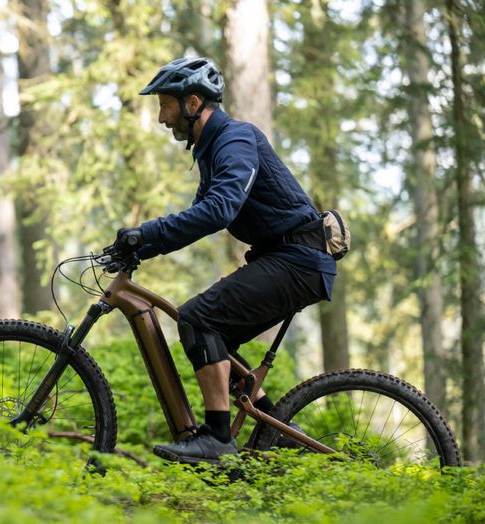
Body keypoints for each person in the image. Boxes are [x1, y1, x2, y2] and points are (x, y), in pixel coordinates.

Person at [112, 57, 337, 464]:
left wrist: (147, 232)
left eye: (165, 105)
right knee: (214, 341)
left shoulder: (234, 139)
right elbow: (199, 219)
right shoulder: (213, 149)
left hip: (299, 261)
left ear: (193, 103)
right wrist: (138, 247)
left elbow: (219, 211)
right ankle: (277, 428)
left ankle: (217, 439)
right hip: (288, 259)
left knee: (198, 319)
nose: (162, 118)